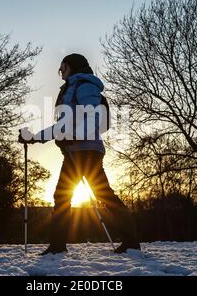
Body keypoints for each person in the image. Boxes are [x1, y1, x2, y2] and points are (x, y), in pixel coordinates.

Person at [19, 53, 140, 255]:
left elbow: (92, 117)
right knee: (95, 194)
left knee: (74, 195)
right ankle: (129, 242)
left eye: (63, 67)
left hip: (86, 150)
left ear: (72, 67)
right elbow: (62, 126)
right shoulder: (70, 88)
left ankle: (59, 247)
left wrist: (73, 136)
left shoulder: (85, 85)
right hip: (77, 150)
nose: (60, 72)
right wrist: (34, 137)